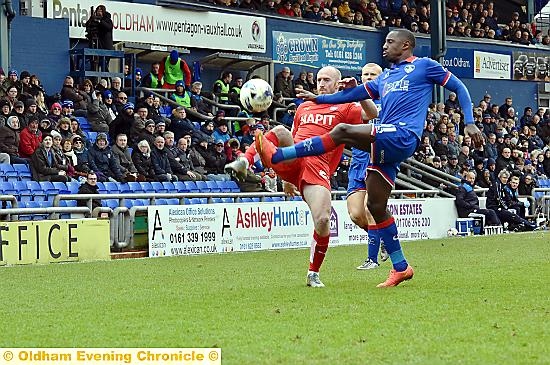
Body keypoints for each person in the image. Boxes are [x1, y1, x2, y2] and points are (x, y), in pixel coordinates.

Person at [255, 29, 483, 287]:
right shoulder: (385, 78)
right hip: (387, 144)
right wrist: (318, 98)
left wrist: (470, 122)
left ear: (406, 45)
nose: (384, 46)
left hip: (404, 134)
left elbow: (459, 87)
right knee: (375, 206)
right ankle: (401, 267)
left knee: (341, 131)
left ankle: (281, 154)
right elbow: (351, 95)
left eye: (390, 42)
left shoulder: (424, 66)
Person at [225, 66, 366, 288]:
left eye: (326, 80)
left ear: (338, 84)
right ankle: (245, 160)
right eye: (319, 79)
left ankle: (313, 273)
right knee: (281, 131)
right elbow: (292, 136)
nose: (320, 83)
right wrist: (287, 179)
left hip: (317, 165)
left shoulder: (346, 107)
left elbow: (371, 114)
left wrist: (356, 91)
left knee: (322, 219)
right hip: (293, 156)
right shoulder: (305, 107)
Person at [345, 62, 389, 270]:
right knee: (356, 215)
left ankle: (372, 259)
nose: (368, 77)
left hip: (378, 161)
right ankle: (384, 237)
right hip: (358, 161)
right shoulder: (353, 101)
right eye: (365, 74)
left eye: (373, 74)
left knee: (370, 209)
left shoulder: (388, 99)